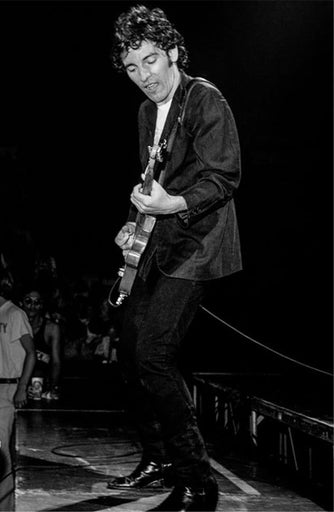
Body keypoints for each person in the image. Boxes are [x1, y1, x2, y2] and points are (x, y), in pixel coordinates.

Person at [108, 6, 242, 511]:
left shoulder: (205, 99)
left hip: (199, 246)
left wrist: (174, 205)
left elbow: (224, 176)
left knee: (155, 355)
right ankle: (159, 455)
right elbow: (150, 181)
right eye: (133, 69)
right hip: (157, 244)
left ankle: (198, 483)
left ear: (174, 54)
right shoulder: (147, 113)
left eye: (151, 62)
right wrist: (133, 221)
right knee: (128, 350)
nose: (145, 77)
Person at [0, 265, 35, 511]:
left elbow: (31, 353)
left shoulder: (15, 313)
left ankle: (4, 507)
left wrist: (22, 387)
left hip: (8, 386)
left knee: (1, 451)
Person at [20, 286, 62, 401]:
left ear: (42, 305)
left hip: (41, 384)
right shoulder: (13, 326)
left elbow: (56, 363)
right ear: (21, 303)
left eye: (37, 302)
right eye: (28, 301)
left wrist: (54, 387)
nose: (32, 306)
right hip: (19, 383)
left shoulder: (51, 328)